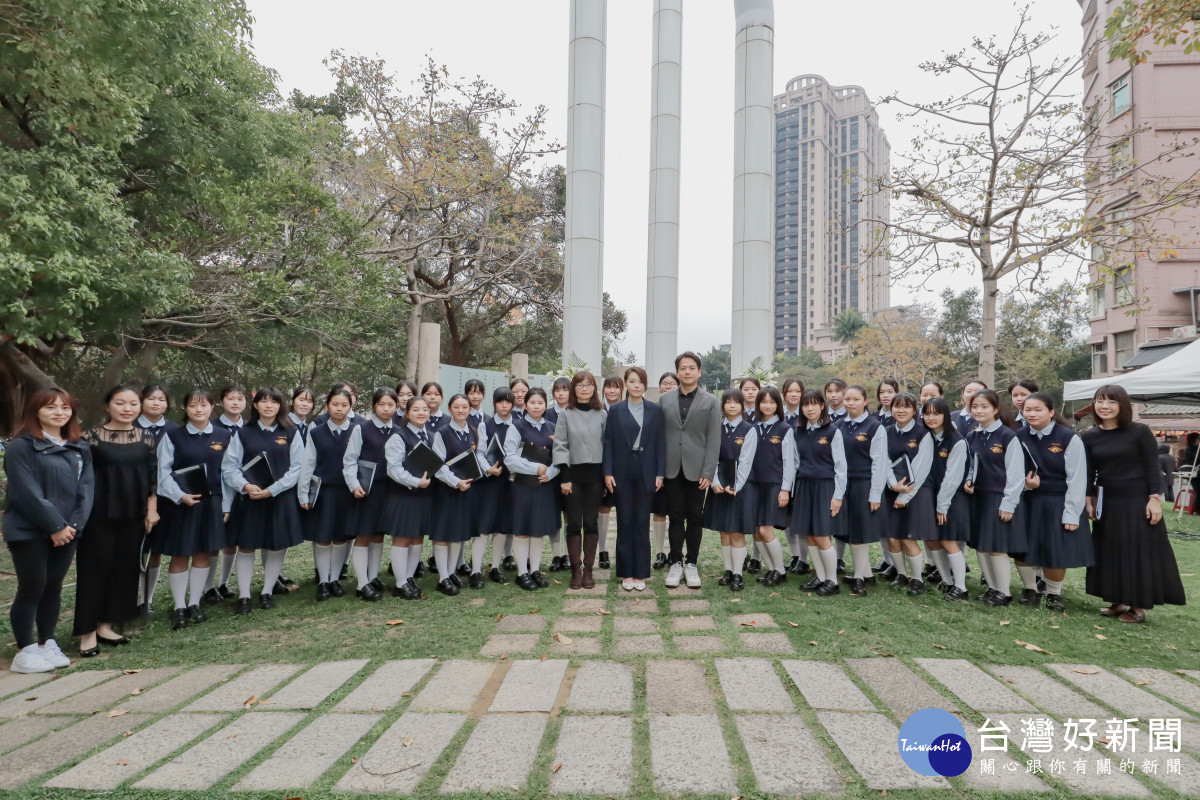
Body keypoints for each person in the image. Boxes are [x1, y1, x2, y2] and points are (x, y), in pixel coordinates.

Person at [4, 388, 93, 672]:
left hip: (68, 532)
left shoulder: (79, 447)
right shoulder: (22, 446)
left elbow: (86, 490)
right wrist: (54, 525)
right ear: (36, 411)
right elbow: (25, 491)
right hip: (29, 530)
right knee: (33, 587)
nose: (59, 412)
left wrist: (73, 527)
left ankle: (47, 642)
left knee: (53, 587)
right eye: (51, 407)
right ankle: (25, 649)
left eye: (65, 407)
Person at [1082, 385, 1186, 623]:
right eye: (1100, 401)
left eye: (1111, 402)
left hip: (1138, 501)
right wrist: (1089, 500)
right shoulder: (1089, 436)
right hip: (1107, 502)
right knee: (1109, 550)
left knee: (1137, 552)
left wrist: (1154, 499)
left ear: (1123, 406)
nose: (1104, 406)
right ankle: (1116, 600)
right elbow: (1088, 472)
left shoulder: (1139, 432)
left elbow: (1153, 468)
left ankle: (1138, 607)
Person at [74, 385, 158, 655]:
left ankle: (106, 625)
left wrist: (151, 508)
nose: (127, 408)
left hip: (133, 514)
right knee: (93, 570)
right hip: (98, 513)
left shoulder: (146, 437)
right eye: (120, 403)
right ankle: (87, 633)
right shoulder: (90, 438)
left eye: (133, 404)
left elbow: (152, 476)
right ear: (107, 406)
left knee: (124, 569)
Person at [221, 388, 304, 614]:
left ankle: (267, 591)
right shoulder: (243, 433)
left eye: (274, 402)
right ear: (255, 405)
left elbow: (298, 468)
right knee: (246, 547)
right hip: (250, 499)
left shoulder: (291, 432)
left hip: (279, 498)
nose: (269, 406)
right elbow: (229, 467)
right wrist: (246, 486)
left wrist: (273, 490)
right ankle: (245, 596)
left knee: (276, 546)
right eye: (263, 401)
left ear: (280, 406)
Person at [156, 390, 233, 629]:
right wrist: (180, 496)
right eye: (193, 405)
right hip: (182, 503)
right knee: (181, 554)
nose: (198, 410)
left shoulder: (224, 435)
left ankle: (194, 602)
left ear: (212, 407)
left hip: (212, 503)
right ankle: (179, 606)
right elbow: (162, 472)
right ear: (185, 408)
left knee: (203, 553)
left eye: (203, 405)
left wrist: (226, 503)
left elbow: (229, 473)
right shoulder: (173, 436)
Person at [1016, 393, 1094, 612]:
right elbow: (1011, 473)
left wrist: (1071, 513)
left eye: (1037, 409)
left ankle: (1054, 593)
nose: (1031, 414)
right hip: (1028, 500)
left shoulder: (1068, 437)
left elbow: (1077, 478)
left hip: (1059, 501)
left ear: (1051, 412)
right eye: (1027, 410)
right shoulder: (1018, 436)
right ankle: (1030, 588)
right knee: (1022, 548)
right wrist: (1025, 485)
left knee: (1055, 551)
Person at [659, 352, 721, 589]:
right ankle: (675, 562)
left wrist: (709, 471)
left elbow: (714, 439)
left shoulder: (710, 401)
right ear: (677, 372)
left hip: (698, 471)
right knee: (675, 517)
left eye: (691, 367)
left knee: (695, 517)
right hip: (672, 468)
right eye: (683, 368)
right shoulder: (665, 400)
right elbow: (659, 436)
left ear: (699, 372)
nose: (687, 371)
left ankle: (691, 563)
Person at [963, 389, 1028, 607]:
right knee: (981, 545)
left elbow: (1016, 474)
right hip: (977, 498)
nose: (979, 411)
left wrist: (1009, 503)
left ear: (996, 409)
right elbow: (971, 465)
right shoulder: (972, 435)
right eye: (975, 406)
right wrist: (968, 481)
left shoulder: (1008, 436)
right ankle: (992, 588)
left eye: (984, 406)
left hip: (999, 498)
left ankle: (1004, 592)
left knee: (996, 547)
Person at [603, 367, 666, 591]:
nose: (636, 385)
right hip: (622, 473)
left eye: (640, 382)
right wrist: (608, 472)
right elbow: (608, 443)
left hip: (647, 472)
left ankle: (640, 573)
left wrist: (660, 473)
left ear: (645, 385)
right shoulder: (616, 410)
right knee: (624, 522)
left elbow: (660, 444)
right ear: (625, 384)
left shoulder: (655, 410)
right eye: (632, 381)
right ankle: (626, 572)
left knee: (641, 523)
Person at [298, 388, 356, 602]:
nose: (339, 409)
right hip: (323, 492)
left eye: (344, 405)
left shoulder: (357, 430)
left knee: (341, 537)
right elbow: (307, 465)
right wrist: (304, 495)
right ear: (327, 406)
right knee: (323, 538)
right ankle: (323, 581)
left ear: (350, 407)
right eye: (335, 404)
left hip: (347, 492)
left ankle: (335, 579)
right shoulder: (316, 432)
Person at [342, 388, 400, 602]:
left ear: (396, 407)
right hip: (366, 490)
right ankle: (362, 583)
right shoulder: (361, 429)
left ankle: (373, 577)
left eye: (390, 404)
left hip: (390, 490)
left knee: (378, 535)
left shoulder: (398, 430)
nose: (386, 408)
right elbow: (349, 461)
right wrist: (354, 485)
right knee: (364, 535)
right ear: (374, 405)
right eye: (382, 404)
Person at [428, 394, 489, 596]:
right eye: (456, 406)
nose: (461, 410)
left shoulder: (473, 432)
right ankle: (443, 577)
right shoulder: (442, 433)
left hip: (468, 491)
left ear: (470, 410)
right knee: (444, 534)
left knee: (458, 535)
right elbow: (438, 465)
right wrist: (456, 482)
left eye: (465, 407)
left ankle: (451, 572)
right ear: (450, 409)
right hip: (447, 491)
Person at [553, 371, 608, 589]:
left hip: (595, 477)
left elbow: (608, 446)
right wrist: (565, 477)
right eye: (580, 385)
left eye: (589, 385)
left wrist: (605, 477)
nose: (585, 389)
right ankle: (575, 569)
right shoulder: (566, 414)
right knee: (574, 523)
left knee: (592, 522)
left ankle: (588, 569)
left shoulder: (602, 414)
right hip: (572, 477)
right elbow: (560, 445)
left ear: (595, 388)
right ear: (573, 388)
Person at [878, 392, 936, 596]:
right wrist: (893, 486)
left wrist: (904, 496)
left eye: (906, 407)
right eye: (897, 406)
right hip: (892, 491)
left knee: (908, 538)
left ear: (914, 410)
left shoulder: (923, 433)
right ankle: (901, 574)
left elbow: (922, 468)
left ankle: (917, 579)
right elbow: (882, 461)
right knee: (893, 538)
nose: (900, 410)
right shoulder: (885, 431)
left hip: (914, 493)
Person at [833, 385, 888, 596]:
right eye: (847, 399)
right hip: (844, 485)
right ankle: (866, 574)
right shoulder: (838, 425)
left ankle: (858, 579)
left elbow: (879, 463)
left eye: (855, 399)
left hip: (864, 485)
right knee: (847, 531)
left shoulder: (875, 427)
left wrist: (875, 494)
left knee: (860, 533)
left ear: (865, 401)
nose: (851, 403)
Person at [504, 388, 561, 590]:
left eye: (540, 403)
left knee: (538, 531)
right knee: (522, 531)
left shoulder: (553, 427)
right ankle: (522, 573)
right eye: (533, 402)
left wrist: (550, 473)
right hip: (523, 486)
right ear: (526, 404)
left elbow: (560, 456)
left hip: (545, 486)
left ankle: (535, 570)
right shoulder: (516, 427)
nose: (537, 406)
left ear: (546, 405)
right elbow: (509, 459)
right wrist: (535, 468)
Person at [381, 396, 436, 600]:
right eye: (416, 410)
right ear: (407, 413)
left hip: (424, 495)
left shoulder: (431, 436)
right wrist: (415, 481)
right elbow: (393, 469)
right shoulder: (398, 436)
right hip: (404, 494)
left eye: (425, 410)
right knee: (402, 538)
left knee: (417, 537)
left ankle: (409, 576)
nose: (421, 413)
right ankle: (400, 582)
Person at [793, 390, 847, 596]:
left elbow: (841, 467)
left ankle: (832, 580)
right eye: (806, 404)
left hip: (826, 487)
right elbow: (795, 463)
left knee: (823, 536)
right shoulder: (797, 431)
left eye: (814, 404)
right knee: (809, 535)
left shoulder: (833, 431)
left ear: (822, 406)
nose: (810, 408)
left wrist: (838, 495)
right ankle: (821, 576)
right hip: (804, 487)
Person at [703, 389, 757, 592]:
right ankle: (728, 570)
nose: (732, 406)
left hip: (738, 487)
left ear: (742, 406)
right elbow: (712, 457)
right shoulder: (716, 428)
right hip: (719, 484)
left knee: (736, 531)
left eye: (736, 402)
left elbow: (746, 461)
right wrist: (714, 482)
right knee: (724, 531)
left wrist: (736, 486)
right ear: (722, 405)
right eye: (728, 402)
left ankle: (738, 574)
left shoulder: (749, 429)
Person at [921, 397, 971, 601]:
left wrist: (942, 505)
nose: (931, 417)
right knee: (932, 541)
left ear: (946, 415)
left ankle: (961, 587)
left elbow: (953, 477)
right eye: (927, 413)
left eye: (936, 413)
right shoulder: (926, 437)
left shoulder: (957, 441)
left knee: (949, 541)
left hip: (951, 498)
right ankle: (946, 581)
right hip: (929, 496)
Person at [136, 383, 178, 617]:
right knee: (135, 550)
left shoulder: (174, 430)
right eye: (151, 398)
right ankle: (129, 599)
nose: (156, 403)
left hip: (165, 499)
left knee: (156, 550)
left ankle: (146, 600)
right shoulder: (128, 427)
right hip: (134, 498)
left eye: (161, 399)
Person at [747, 386, 795, 586]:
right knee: (757, 531)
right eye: (763, 402)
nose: (767, 406)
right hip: (754, 485)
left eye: (772, 402)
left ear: (778, 405)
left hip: (775, 485)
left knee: (766, 530)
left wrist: (785, 489)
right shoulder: (753, 428)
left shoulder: (785, 429)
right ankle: (771, 569)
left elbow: (789, 462)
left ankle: (780, 571)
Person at [207, 384, 246, 601]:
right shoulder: (211, 427)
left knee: (234, 540)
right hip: (216, 491)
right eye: (230, 398)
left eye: (240, 399)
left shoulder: (249, 428)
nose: (235, 402)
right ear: (222, 402)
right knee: (214, 542)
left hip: (243, 491)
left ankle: (223, 583)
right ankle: (208, 585)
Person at [476, 387, 517, 584]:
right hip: (491, 481)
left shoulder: (517, 425)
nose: (504, 405)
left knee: (501, 527)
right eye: (500, 401)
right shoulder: (486, 425)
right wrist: (488, 469)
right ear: (494, 403)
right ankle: (476, 570)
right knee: (484, 526)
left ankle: (495, 567)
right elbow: (480, 453)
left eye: (508, 402)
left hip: (510, 482)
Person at [779, 378, 810, 575]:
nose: (793, 394)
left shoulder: (807, 414)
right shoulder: (778, 414)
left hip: (803, 473)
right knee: (788, 520)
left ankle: (805, 558)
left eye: (797, 391)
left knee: (802, 518)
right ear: (784, 393)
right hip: (781, 472)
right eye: (790, 391)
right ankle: (795, 555)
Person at [650, 371, 679, 569]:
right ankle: (660, 552)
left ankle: (676, 553)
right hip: (658, 466)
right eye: (664, 383)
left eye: (672, 383)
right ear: (659, 387)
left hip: (680, 467)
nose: (668, 387)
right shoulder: (653, 409)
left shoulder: (683, 408)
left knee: (677, 513)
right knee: (659, 511)